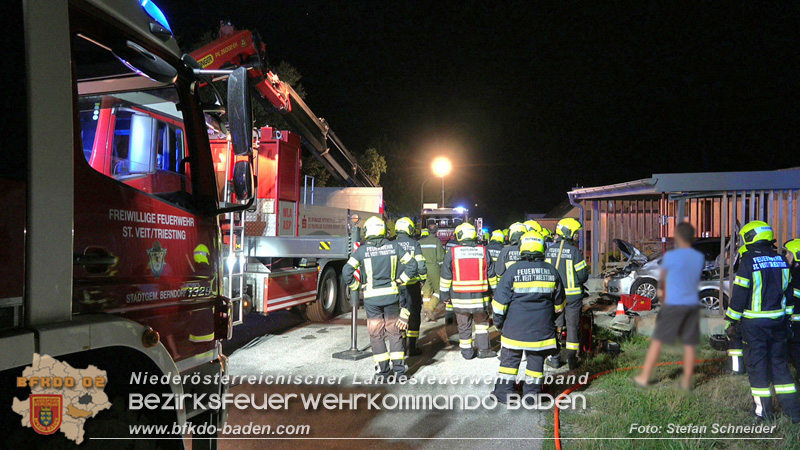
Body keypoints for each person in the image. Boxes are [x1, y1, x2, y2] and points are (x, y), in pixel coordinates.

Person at [722, 220, 800, 421]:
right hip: (779, 323)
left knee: (757, 368)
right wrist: (788, 318)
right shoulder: (782, 260)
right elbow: (788, 294)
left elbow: (739, 295)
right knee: (780, 366)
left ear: (749, 238)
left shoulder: (748, 262)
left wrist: (731, 319)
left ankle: (763, 413)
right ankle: (793, 412)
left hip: (754, 326)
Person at [492, 230, 565, 404]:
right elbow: (559, 305)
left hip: (514, 330)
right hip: (541, 331)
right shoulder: (551, 271)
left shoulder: (513, 271)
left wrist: (499, 323)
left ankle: (504, 393)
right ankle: (532, 396)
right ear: (542, 248)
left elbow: (499, 303)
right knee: (535, 363)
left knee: (509, 362)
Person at [343, 216, 417, 380]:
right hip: (391, 297)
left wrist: (357, 287)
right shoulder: (395, 247)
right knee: (394, 332)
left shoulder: (362, 251)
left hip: (371, 300)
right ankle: (399, 371)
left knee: (376, 334)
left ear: (368, 231)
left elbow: (346, 271)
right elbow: (413, 265)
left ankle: (383, 372)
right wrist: (402, 280)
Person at [633, 222, 704, 390]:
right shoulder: (698, 257)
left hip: (673, 303)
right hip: (692, 303)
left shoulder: (671, 257)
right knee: (689, 344)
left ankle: (644, 377)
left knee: (657, 342)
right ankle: (687, 382)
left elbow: (663, 282)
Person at [440, 223, 497, 359]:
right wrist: (495, 291)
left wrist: (444, 295)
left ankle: (467, 352)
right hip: (480, 297)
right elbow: (491, 275)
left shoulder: (452, 253)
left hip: (460, 298)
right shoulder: (483, 251)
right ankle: (484, 350)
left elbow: (446, 276)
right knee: (482, 324)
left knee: (464, 325)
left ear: (460, 235)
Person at [544, 218, 589, 369]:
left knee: (555, 326)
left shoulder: (550, 250)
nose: (577, 235)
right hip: (573, 297)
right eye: (576, 233)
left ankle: (555, 358)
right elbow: (583, 276)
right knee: (572, 327)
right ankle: (572, 360)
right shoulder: (575, 252)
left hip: (555, 298)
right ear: (569, 233)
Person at [394, 217, 428, 356]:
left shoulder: (391, 244)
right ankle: (412, 347)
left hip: (396, 286)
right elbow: (420, 266)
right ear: (410, 229)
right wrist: (422, 279)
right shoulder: (415, 244)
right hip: (412, 285)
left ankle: (399, 344)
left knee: (398, 314)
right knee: (413, 314)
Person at [419, 224, 446, 322]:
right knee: (439, 290)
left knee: (426, 291)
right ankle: (430, 308)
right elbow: (440, 258)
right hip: (434, 268)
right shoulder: (437, 241)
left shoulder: (420, 242)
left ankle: (426, 314)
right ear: (436, 232)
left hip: (423, 268)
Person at [784, 239, 800, 374]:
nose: (786, 257)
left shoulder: (796, 275)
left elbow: (792, 296)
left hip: (797, 325)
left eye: (789, 254)